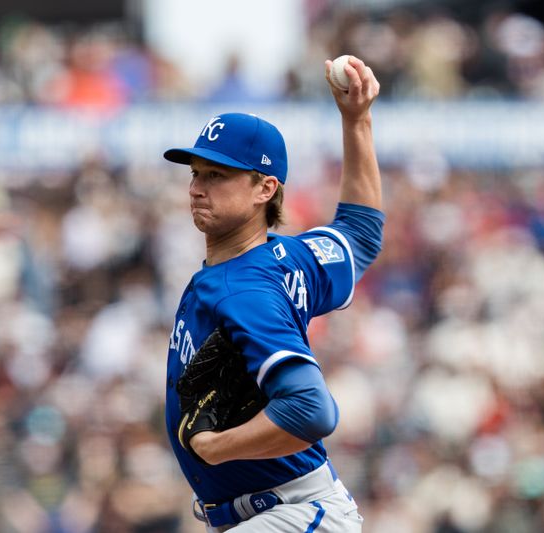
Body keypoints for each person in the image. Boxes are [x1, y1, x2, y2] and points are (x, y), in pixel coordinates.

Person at [162, 56, 384, 532]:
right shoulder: (292, 257)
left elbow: (311, 409)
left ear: (265, 188)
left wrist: (215, 447)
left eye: (217, 176)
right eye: (196, 173)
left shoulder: (243, 289)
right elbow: (361, 233)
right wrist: (357, 121)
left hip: (289, 514)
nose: (198, 188)